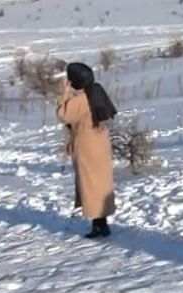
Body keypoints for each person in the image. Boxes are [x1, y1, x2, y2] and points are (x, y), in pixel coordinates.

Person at [57, 62, 117, 239]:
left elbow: (63, 115)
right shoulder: (96, 92)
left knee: (91, 185)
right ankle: (101, 223)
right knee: (100, 184)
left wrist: (65, 93)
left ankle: (98, 226)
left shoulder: (80, 100)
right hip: (100, 143)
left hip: (87, 145)